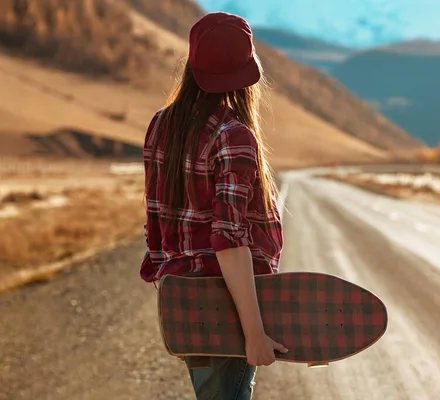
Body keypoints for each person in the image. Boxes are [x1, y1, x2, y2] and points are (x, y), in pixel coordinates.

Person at [140, 11, 287, 400]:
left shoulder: (161, 125)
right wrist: (254, 333)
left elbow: (156, 216)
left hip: (183, 295)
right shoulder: (233, 134)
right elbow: (230, 240)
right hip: (227, 301)